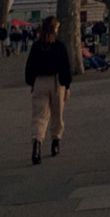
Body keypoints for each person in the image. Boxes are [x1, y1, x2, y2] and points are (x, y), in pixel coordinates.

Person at [24, 16, 72, 164]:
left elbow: (29, 67)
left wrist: (32, 82)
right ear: (54, 29)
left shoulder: (37, 46)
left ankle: (37, 144)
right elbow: (65, 66)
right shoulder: (59, 46)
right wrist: (67, 84)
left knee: (39, 116)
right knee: (57, 115)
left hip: (39, 82)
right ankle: (55, 141)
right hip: (56, 82)